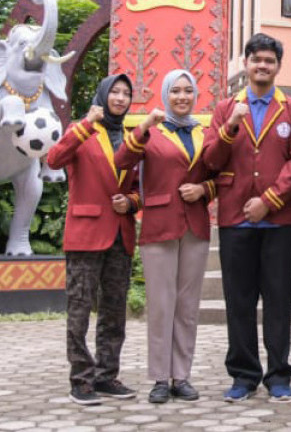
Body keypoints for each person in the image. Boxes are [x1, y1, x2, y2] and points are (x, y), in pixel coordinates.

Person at [202, 33, 291, 403]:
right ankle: (244, 375)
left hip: (280, 221)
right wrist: (230, 126)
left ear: (278, 66)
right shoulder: (224, 108)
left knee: (279, 301)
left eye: (269, 60)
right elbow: (210, 161)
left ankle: (279, 374)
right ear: (245, 64)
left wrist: (269, 199)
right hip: (235, 218)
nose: (262, 66)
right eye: (256, 60)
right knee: (239, 302)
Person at [115, 70, 215, 404]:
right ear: (165, 94)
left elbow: (222, 175)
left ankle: (181, 376)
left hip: (196, 224)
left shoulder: (206, 133)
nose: (183, 97)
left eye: (188, 91)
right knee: (161, 304)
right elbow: (122, 160)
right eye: (175, 91)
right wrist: (143, 127)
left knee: (187, 305)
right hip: (159, 224)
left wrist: (203, 188)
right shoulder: (151, 132)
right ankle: (160, 377)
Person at [47, 74, 139, 406]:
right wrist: (87, 123)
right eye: (114, 91)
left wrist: (130, 203)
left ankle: (106, 376)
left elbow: (139, 189)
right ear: (103, 95)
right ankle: (81, 379)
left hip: (120, 234)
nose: (119, 98)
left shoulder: (131, 137)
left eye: (126, 93)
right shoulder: (81, 129)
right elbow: (54, 159)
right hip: (85, 234)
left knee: (114, 311)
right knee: (80, 309)